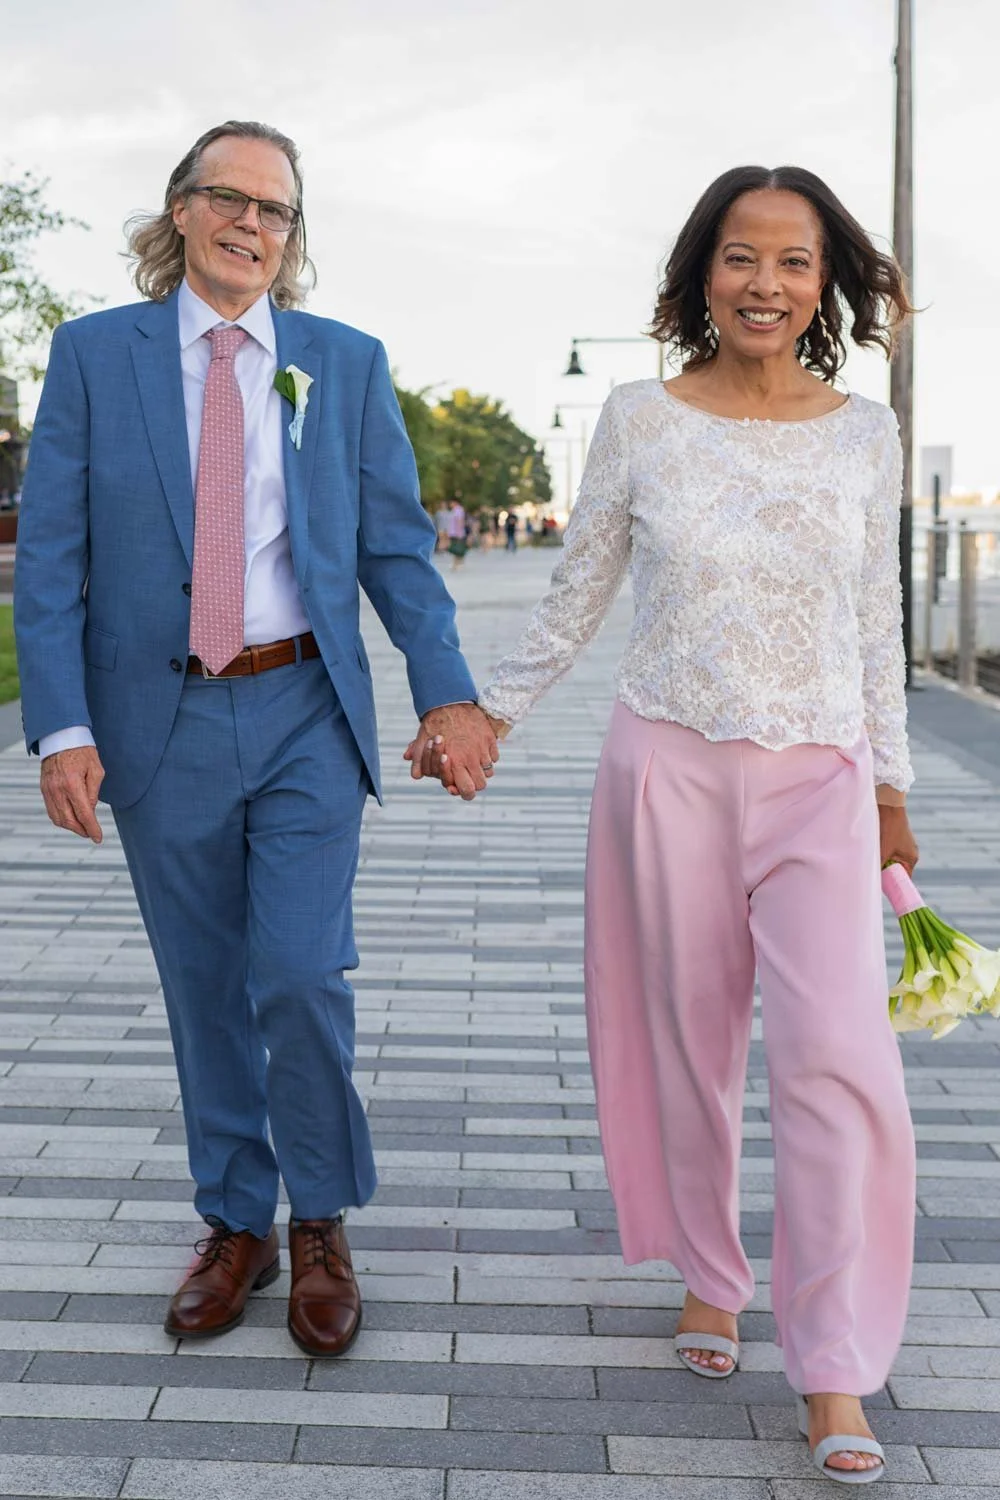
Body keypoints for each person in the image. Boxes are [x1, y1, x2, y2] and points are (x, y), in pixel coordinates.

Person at [415, 166, 918, 1484]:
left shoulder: (865, 434)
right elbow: (579, 587)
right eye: (741, 257)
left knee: (838, 1062)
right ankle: (708, 1271)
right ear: (704, 273)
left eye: (794, 262)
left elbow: (875, 623)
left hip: (820, 780)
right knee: (690, 1046)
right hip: (667, 769)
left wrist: (892, 790)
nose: (765, 283)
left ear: (824, 285)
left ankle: (833, 1365)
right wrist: (489, 714)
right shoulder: (642, 418)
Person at [14, 119, 498, 1357]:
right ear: (180, 209)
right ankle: (236, 1220)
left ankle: (320, 1217)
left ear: (292, 234)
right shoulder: (94, 355)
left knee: (299, 972)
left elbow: (398, 552)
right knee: (204, 989)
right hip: (156, 718)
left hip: (301, 712)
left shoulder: (343, 362)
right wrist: (59, 725)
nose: (251, 223)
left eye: (275, 209)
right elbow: (52, 554)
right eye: (228, 198)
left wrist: (446, 696)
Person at [446, 497, 468, 568]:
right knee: (456, 548)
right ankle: (458, 563)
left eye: (451, 503)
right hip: (454, 532)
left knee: (456, 549)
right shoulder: (454, 510)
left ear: (455, 502)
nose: (450, 504)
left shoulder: (458, 510)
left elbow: (459, 521)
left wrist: (459, 532)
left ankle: (455, 564)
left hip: (457, 533)